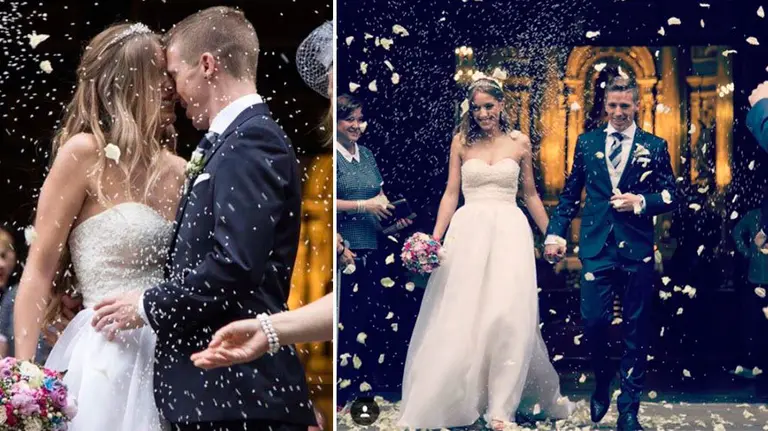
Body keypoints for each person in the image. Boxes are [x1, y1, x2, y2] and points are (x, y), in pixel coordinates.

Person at [88, 7, 316, 431]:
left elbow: (236, 264)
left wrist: (145, 305)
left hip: (235, 395)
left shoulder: (252, 142)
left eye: (175, 74)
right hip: (214, 394)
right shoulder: (233, 141)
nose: (172, 90)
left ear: (208, 65)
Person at [13, 22, 183, 431]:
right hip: (105, 358)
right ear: (129, 83)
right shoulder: (83, 155)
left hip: (173, 356)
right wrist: (21, 375)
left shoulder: (182, 170)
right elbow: (38, 269)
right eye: (159, 75)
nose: (172, 86)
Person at [398, 75, 574, 430]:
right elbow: (451, 193)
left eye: (488, 107)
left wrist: (552, 234)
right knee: (464, 316)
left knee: (507, 316)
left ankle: (501, 409)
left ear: (502, 106)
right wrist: (433, 239)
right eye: (476, 108)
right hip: (468, 233)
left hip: (509, 232)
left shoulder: (519, 142)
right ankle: (460, 398)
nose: (482, 114)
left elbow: (531, 194)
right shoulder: (461, 142)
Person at [189, 20, 337, 370]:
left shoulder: (253, 139)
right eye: (333, 88)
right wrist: (269, 329)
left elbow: (238, 260)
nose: (333, 96)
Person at [544, 76, 679, 431]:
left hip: (636, 250)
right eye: (613, 106)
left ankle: (629, 409)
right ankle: (603, 379)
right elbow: (571, 194)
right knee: (594, 323)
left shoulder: (656, 145)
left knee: (637, 329)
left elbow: (672, 195)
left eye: (626, 106)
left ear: (637, 106)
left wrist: (641, 202)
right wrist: (554, 234)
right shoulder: (587, 144)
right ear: (604, 105)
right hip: (596, 248)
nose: (619, 112)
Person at [731, 207, 768, 379]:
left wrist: (747, 252)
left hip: (757, 275)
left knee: (755, 323)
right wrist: (747, 252)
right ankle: (756, 362)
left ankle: (757, 362)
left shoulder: (754, 216)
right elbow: (736, 231)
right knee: (755, 323)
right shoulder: (754, 215)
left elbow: (737, 232)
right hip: (757, 276)